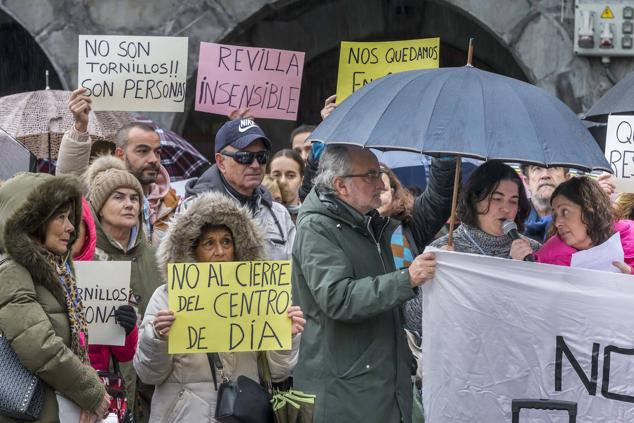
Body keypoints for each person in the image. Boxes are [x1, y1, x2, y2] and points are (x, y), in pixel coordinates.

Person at [292, 144, 437, 423]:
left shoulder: (370, 224)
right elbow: (338, 298)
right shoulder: (317, 228)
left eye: (379, 172)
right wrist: (407, 278)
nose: (380, 182)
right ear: (341, 185)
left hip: (376, 385)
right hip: (344, 392)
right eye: (370, 175)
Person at [134, 192, 304, 422]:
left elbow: (278, 372)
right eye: (209, 243)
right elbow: (149, 373)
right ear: (191, 249)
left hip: (244, 414)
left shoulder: (256, 294)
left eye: (226, 241)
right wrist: (157, 336)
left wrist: (287, 335)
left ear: (239, 247)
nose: (220, 251)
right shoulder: (167, 297)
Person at [0, 173, 110, 422]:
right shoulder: (11, 270)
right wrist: (90, 392)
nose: (71, 227)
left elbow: (72, 345)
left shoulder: (58, 269)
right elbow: (39, 346)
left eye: (70, 217)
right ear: (33, 221)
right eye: (60, 217)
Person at [84, 155, 164, 420]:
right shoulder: (83, 257)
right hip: (99, 387)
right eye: (118, 197)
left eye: (134, 198)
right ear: (99, 207)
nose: (129, 204)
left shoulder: (157, 257)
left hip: (149, 384)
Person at [56, 88, 180, 245]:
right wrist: (80, 126)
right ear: (120, 154)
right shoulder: (99, 194)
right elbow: (68, 181)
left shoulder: (174, 205)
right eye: (142, 151)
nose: (153, 159)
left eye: (157, 152)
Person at [185, 118, 295, 261]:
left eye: (261, 157)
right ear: (221, 162)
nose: (255, 165)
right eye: (244, 157)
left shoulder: (279, 215)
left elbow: (297, 272)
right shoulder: (191, 212)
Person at [72, 196, 138, 375]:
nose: (67, 229)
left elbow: (125, 355)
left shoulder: (107, 277)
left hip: (98, 390)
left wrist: (128, 328)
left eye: (75, 224)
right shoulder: (38, 276)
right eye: (60, 219)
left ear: (87, 232)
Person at [511, 176, 634, 273]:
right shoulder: (547, 259)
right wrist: (519, 267)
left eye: (565, 211)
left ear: (589, 210)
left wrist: (629, 277)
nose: (557, 223)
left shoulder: (629, 235)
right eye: (555, 215)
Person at [377, 161, 455, 269]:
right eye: (368, 190)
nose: (376, 197)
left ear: (392, 192)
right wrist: (410, 277)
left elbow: (440, 197)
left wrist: (443, 156)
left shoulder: (408, 221)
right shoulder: (348, 233)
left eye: (382, 190)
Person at [520, 165, 615, 242]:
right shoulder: (513, 218)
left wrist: (593, 199)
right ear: (526, 181)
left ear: (567, 178)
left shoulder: (586, 217)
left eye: (554, 167)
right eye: (537, 168)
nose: (545, 175)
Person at [269, 149, 304, 220]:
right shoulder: (259, 215)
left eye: (290, 175)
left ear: (301, 180)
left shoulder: (310, 217)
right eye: (276, 175)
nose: (282, 181)